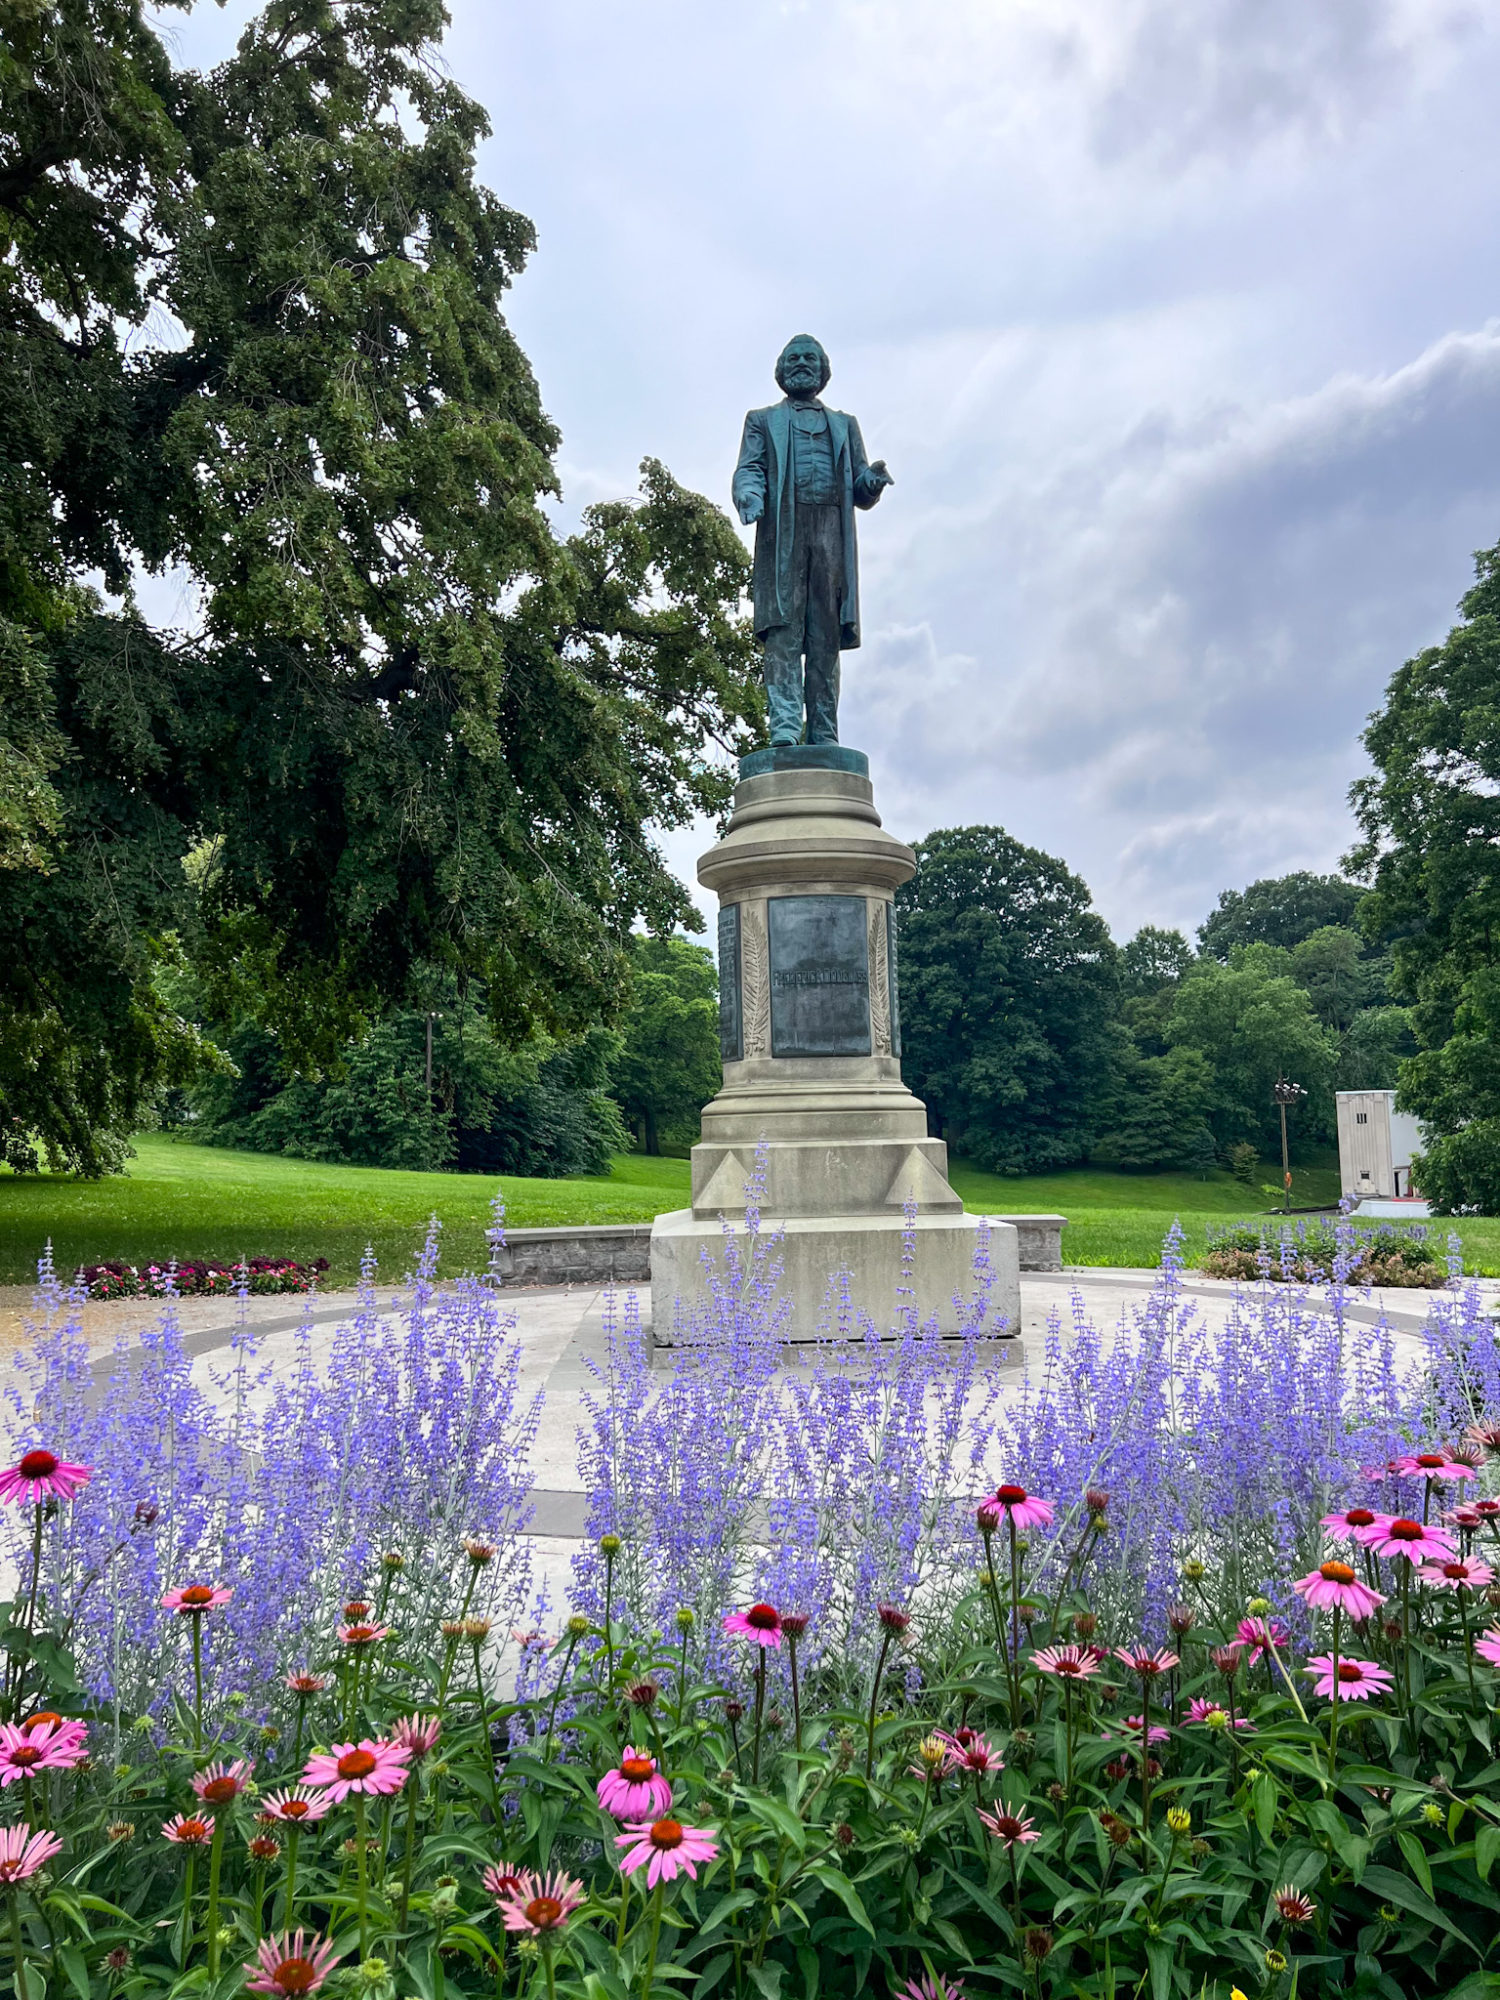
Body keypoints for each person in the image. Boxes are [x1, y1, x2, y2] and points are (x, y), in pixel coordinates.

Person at [732, 335, 892, 746]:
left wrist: (870, 482)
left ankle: (823, 731)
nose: (801, 364)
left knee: (824, 637)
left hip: (831, 534)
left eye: (809, 358)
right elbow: (749, 468)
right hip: (784, 531)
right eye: (793, 358)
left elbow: (857, 487)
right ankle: (784, 728)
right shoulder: (762, 420)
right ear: (781, 369)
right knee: (784, 632)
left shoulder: (844, 425)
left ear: (823, 369)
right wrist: (749, 495)